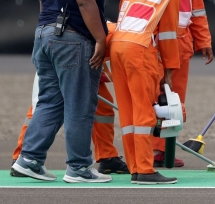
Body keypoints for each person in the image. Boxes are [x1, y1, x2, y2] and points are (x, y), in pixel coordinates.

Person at [11, 0, 127, 183]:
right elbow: (85, 2)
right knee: (79, 105)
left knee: (50, 101)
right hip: (72, 39)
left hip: (44, 36)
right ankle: (79, 168)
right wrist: (100, 38)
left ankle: (29, 159)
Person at [129, 0, 213, 168]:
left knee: (174, 102)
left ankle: (163, 150)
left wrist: (203, 40)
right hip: (151, 44)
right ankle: (150, 151)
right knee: (153, 99)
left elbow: (196, 8)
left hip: (181, 45)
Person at [10, 22, 129, 177]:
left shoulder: (136, 44)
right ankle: (21, 156)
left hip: (87, 62)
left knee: (102, 108)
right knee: (46, 105)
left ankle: (107, 157)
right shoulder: (114, 37)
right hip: (70, 53)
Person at [110, 0, 184, 185]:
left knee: (128, 113)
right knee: (143, 112)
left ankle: (135, 167)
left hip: (118, 46)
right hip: (139, 50)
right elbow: (169, 35)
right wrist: (169, 72)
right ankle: (144, 170)